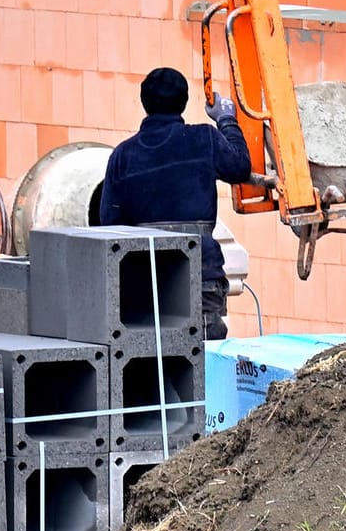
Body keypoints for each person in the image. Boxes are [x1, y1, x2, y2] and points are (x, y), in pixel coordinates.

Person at [98, 67, 251, 340]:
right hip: (201, 276)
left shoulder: (122, 156)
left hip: (145, 283)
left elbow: (108, 225)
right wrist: (226, 119)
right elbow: (240, 168)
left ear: (144, 103)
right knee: (204, 360)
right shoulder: (204, 138)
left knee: (151, 361)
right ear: (184, 102)